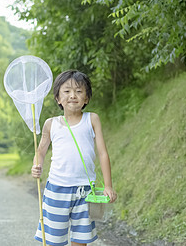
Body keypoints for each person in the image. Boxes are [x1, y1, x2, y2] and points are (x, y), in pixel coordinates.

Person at [32, 70, 117, 246]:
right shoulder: (51, 124)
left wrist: (108, 185)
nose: (73, 96)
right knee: (54, 240)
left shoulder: (92, 119)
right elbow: (40, 151)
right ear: (57, 98)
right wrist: (37, 165)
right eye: (67, 91)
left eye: (79, 91)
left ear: (86, 98)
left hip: (85, 191)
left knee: (80, 240)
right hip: (57, 189)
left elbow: (102, 153)